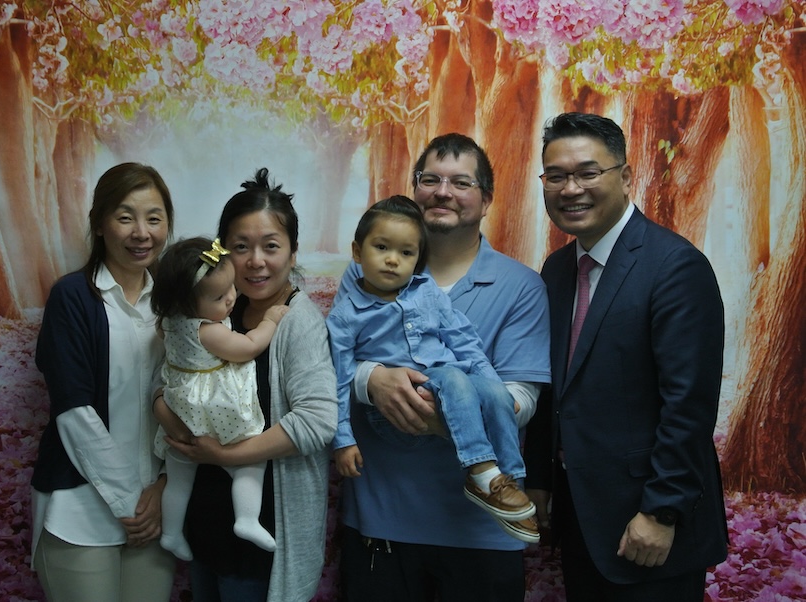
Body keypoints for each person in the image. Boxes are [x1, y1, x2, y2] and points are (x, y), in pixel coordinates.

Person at [335, 134, 551, 601]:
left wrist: (449, 414)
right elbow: (334, 360)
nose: (443, 192)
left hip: (482, 533)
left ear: (486, 199)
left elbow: (521, 400)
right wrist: (371, 380)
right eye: (430, 179)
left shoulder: (521, 287)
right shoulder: (365, 272)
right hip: (381, 519)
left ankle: (488, 477)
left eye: (461, 182)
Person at [524, 112, 728, 602]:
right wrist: (540, 480)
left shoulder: (674, 266)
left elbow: (689, 406)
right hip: (580, 516)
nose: (571, 189)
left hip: (651, 527)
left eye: (588, 173)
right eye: (556, 176)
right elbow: (553, 387)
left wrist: (661, 512)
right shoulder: (557, 270)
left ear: (627, 176)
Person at [154, 168, 337, 602]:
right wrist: (168, 414)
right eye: (240, 247)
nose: (256, 261)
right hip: (205, 523)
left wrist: (223, 455)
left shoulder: (297, 322)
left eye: (271, 246)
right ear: (220, 254)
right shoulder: (213, 310)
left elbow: (317, 423)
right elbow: (169, 384)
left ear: (292, 252)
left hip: (266, 535)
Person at [329, 195, 537, 542]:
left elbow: (463, 340)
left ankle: (508, 480)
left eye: (406, 253)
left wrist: (492, 388)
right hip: (397, 408)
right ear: (357, 252)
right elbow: (338, 379)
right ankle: (480, 472)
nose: (392, 260)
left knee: (494, 391)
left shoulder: (427, 292)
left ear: (418, 261)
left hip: (447, 385)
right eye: (381, 247)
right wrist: (343, 440)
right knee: (454, 377)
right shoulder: (346, 315)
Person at [30, 163, 177, 602]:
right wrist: (130, 502)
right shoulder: (73, 297)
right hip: (80, 511)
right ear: (99, 224)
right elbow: (74, 412)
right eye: (125, 217)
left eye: (154, 218)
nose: (141, 233)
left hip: (154, 509)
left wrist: (163, 488)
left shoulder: (176, 304)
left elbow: (192, 405)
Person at [150, 236, 289, 560]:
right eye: (218, 296)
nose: (230, 298)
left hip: (177, 406)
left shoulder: (167, 322)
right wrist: (270, 321)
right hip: (208, 410)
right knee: (249, 461)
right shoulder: (208, 330)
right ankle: (247, 518)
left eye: (231, 287)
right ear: (186, 304)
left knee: (179, 478)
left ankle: (171, 533)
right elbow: (248, 347)